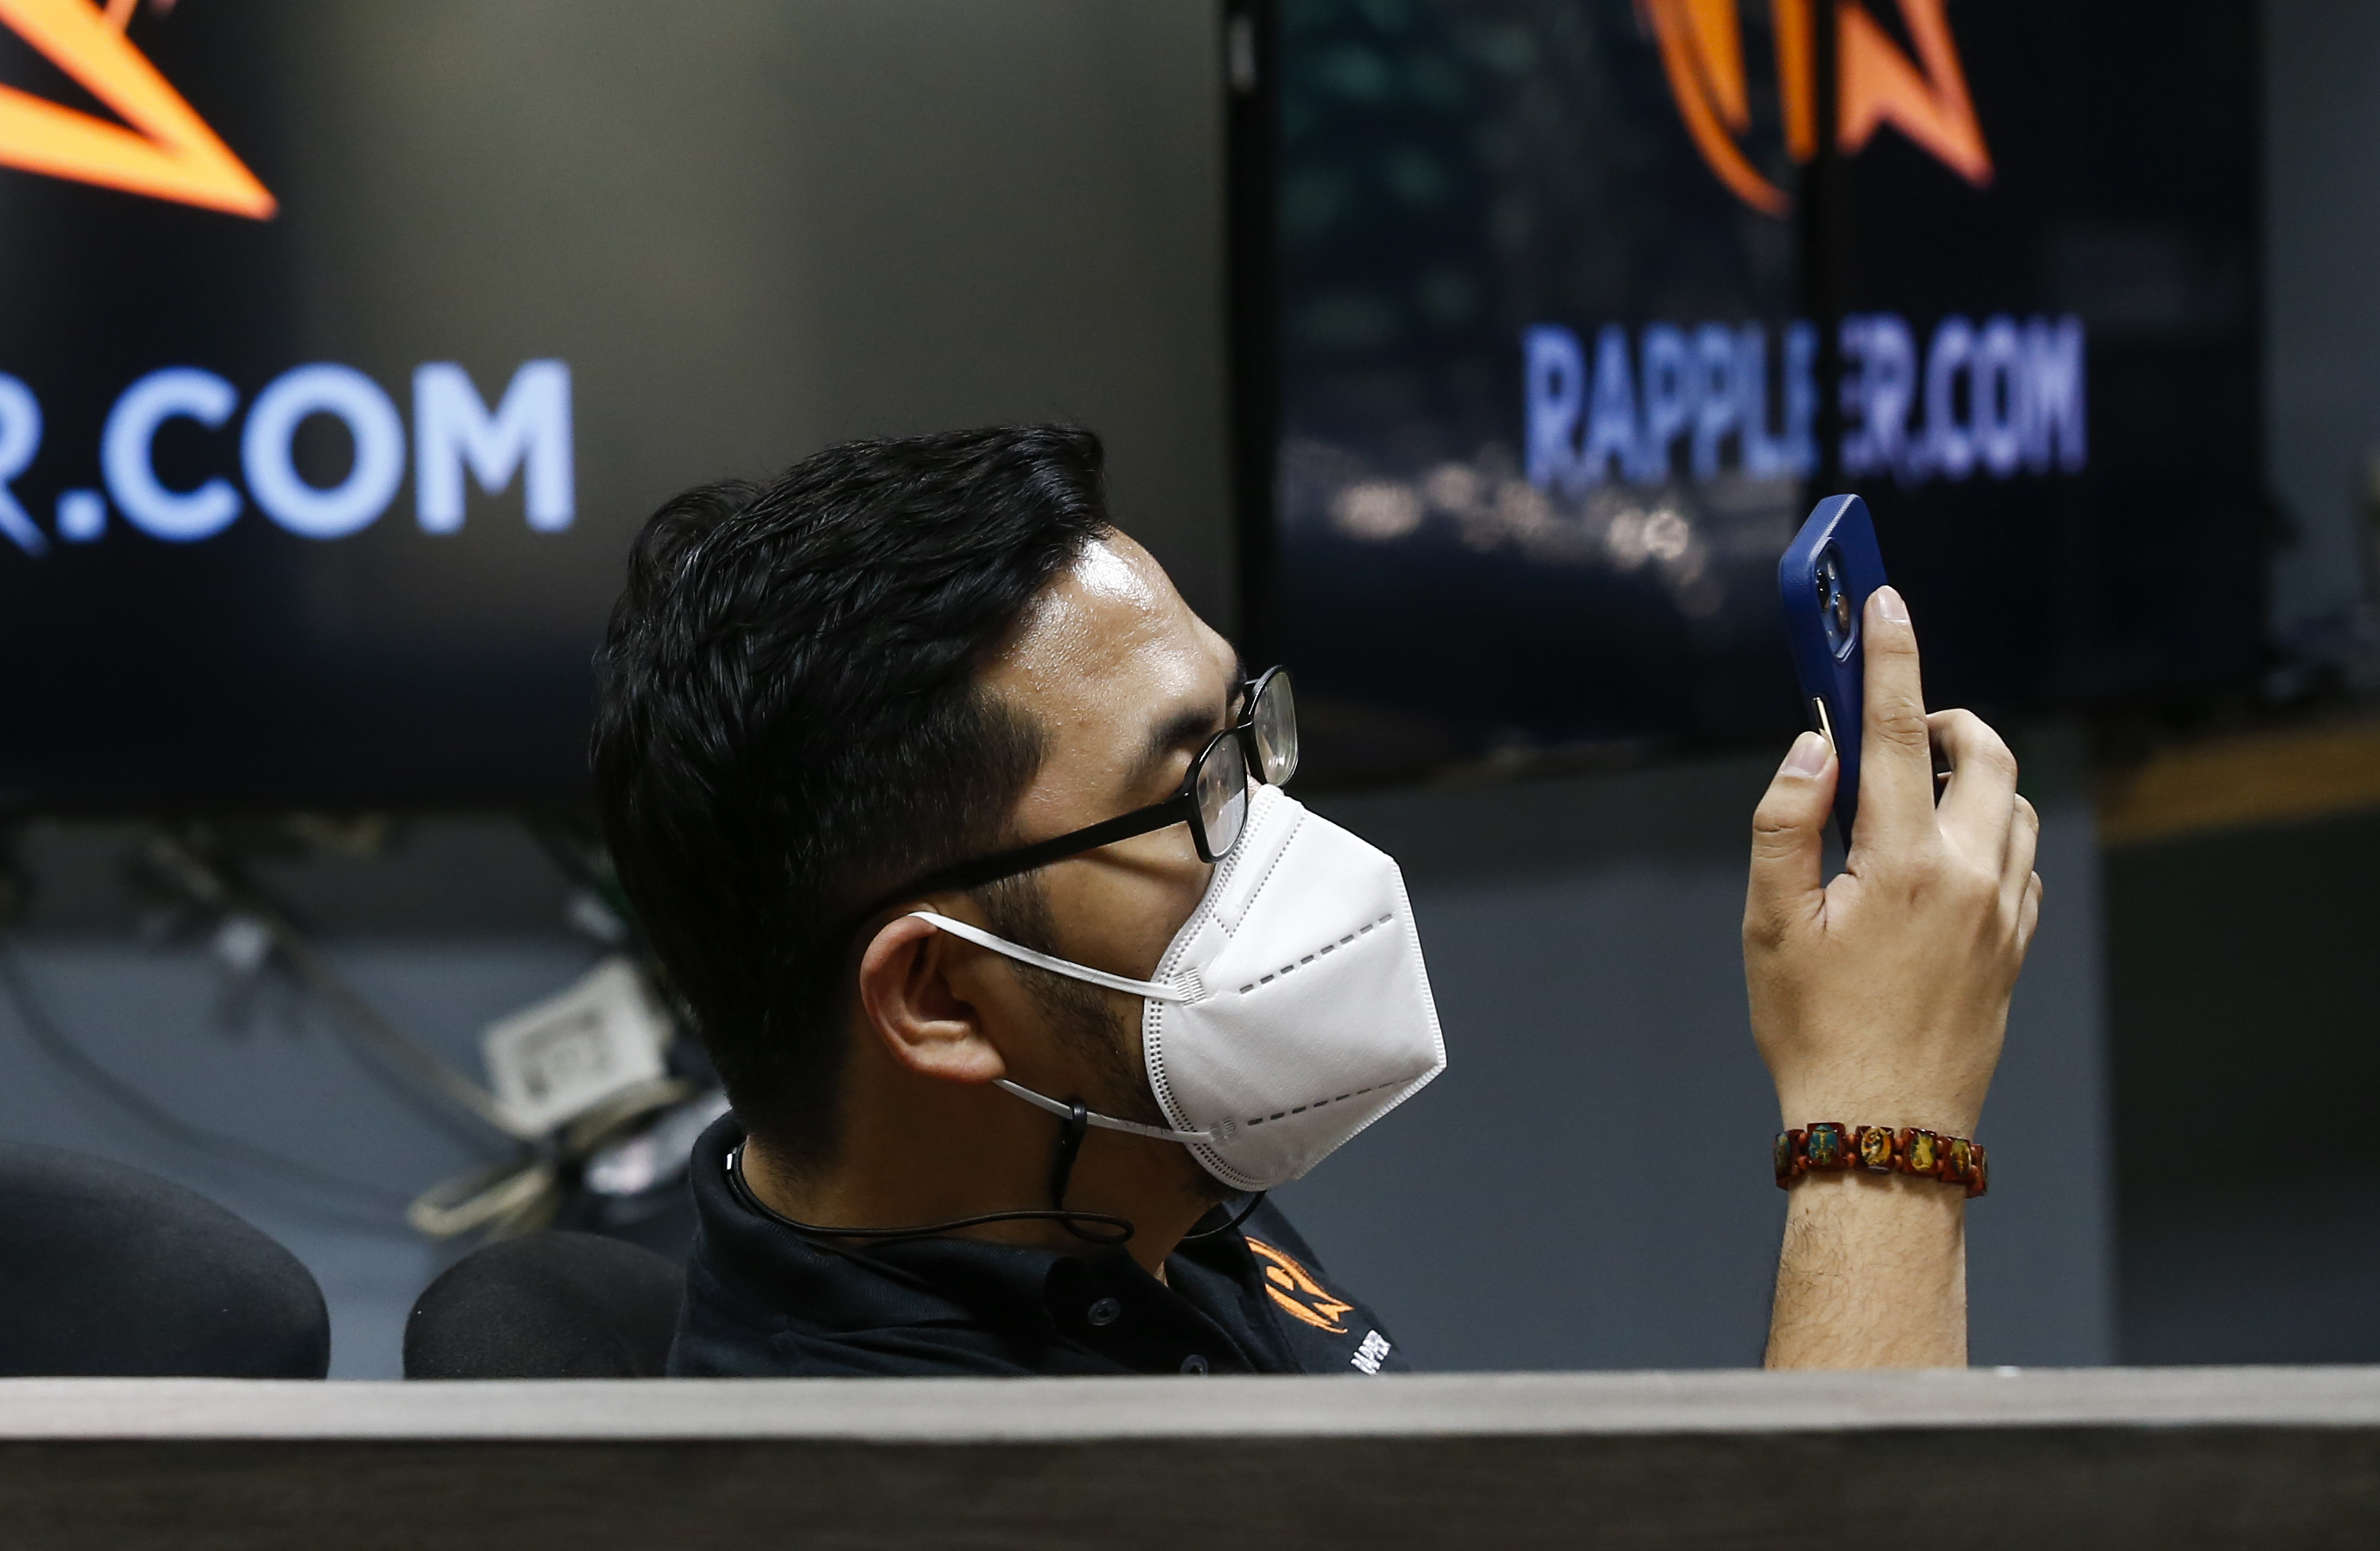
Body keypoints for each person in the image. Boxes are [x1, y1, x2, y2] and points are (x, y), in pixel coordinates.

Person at [590, 425, 2040, 1376]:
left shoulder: (1118, 1190)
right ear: (940, 996)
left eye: (1248, 733)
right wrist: (1882, 1118)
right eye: (1194, 789)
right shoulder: (922, 1526)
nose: (1280, 835)